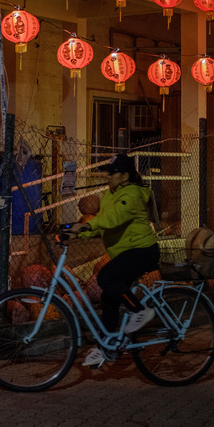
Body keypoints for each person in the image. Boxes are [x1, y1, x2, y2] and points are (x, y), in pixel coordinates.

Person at [66, 154, 160, 369]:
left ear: (125, 175)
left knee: (106, 276)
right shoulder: (111, 194)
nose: (108, 176)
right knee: (109, 297)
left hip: (142, 251)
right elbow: (103, 224)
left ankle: (140, 311)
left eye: (112, 172)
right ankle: (108, 346)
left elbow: (115, 217)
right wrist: (77, 234)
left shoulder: (133, 194)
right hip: (127, 253)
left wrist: (86, 226)